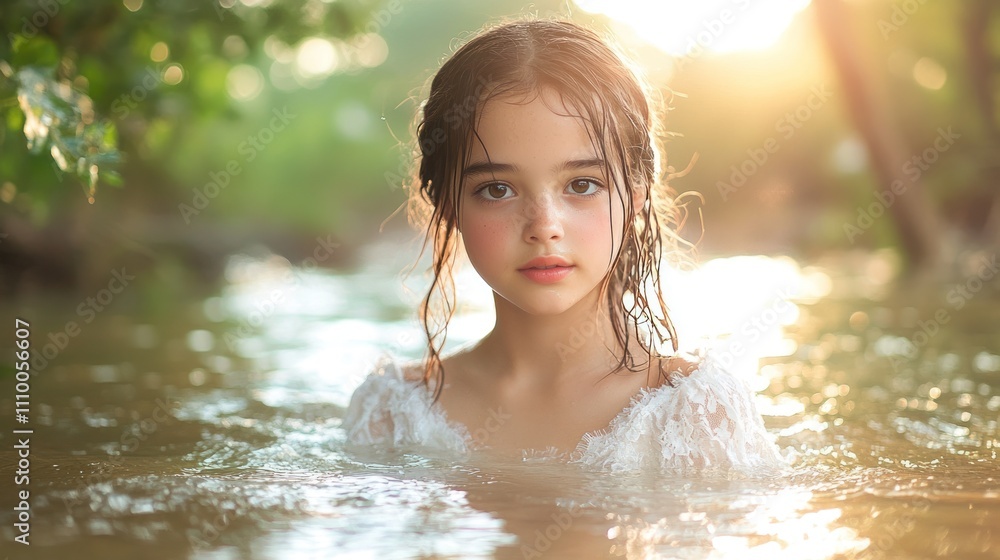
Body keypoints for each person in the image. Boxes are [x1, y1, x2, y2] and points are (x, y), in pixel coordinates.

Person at [343, 18, 786, 474]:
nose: (544, 227)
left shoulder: (695, 413)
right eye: (497, 189)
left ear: (635, 196)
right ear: (449, 206)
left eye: (581, 184)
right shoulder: (392, 411)